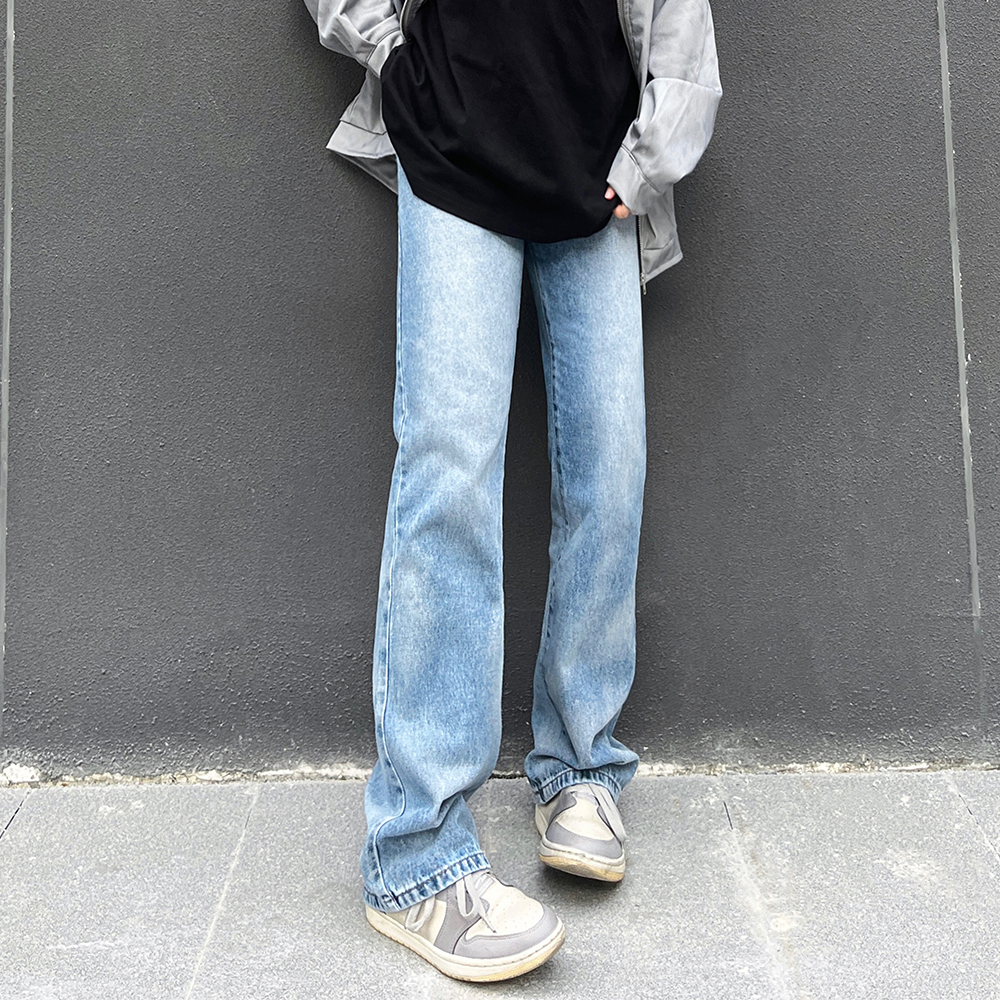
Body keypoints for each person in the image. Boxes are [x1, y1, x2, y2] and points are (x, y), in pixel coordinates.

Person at [305, 0, 721, 982]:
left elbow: (678, 18)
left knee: (609, 471)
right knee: (448, 475)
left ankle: (579, 765)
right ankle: (414, 854)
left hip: (593, 158)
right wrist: (397, 62)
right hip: (453, 144)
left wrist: (647, 158)